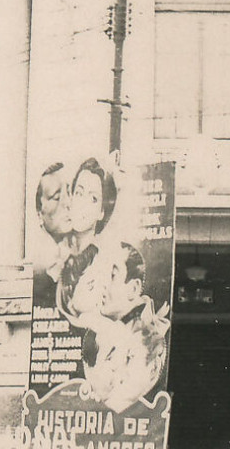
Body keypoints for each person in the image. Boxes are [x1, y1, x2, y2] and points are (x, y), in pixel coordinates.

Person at [62, 242, 170, 411]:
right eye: (101, 274)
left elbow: (120, 403)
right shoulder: (93, 329)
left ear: (133, 289)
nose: (102, 284)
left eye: (112, 275)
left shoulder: (150, 338)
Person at [56, 158, 120, 311]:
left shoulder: (104, 265)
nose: (82, 204)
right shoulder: (56, 257)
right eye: (79, 193)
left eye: (93, 199)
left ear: (102, 212)